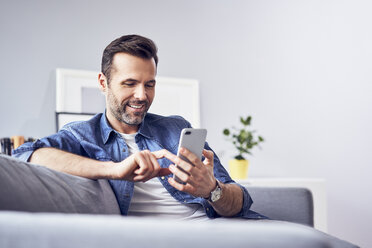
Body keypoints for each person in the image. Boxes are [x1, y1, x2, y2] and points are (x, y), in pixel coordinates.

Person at [13, 35, 263, 220]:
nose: (141, 96)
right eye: (129, 83)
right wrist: (114, 169)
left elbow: (241, 201)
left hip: (227, 231)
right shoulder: (82, 135)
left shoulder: (175, 127)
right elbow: (25, 155)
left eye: (150, 84)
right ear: (104, 82)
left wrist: (212, 190)